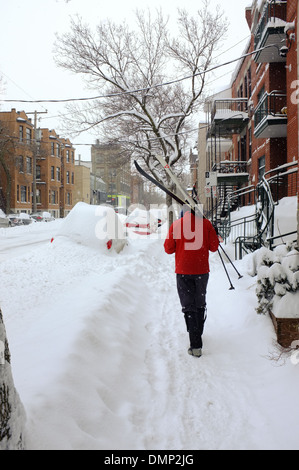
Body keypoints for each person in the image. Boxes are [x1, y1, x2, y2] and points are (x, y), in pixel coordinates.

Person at [164, 207, 219, 358]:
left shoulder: (176, 225)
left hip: (183, 271)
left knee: (188, 306)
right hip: (201, 271)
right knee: (199, 303)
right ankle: (197, 333)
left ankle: (195, 344)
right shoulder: (206, 224)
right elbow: (214, 247)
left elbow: (168, 249)